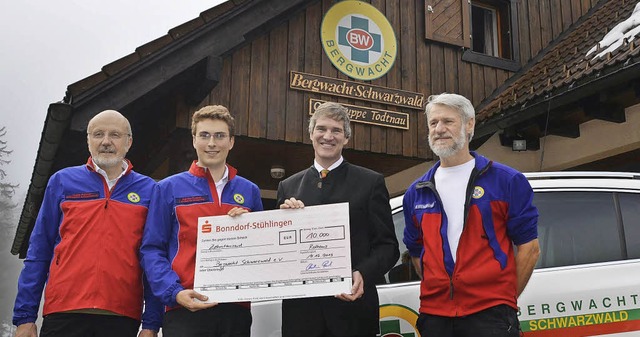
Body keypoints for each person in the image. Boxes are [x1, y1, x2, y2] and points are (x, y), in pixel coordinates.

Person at [12, 110, 162, 337]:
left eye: (115, 135)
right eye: (98, 134)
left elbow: (153, 257)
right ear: (88, 140)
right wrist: (25, 317)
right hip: (63, 312)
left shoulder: (149, 190)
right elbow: (39, 251)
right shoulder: (62, 181)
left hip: (121, 316)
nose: (106, 142)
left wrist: (151, 323)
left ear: (128, 142)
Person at [403, 93, 540, 337]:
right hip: (435, 317)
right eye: (433, 123)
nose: (439, 129)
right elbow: (416, 253)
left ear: (469, 124)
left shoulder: (507, 181)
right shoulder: (416, 192)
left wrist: (502, 298)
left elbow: (529, 248)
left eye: (448, 121)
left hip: (490, 315)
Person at [277, 102, 399, 337]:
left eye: (336, 130)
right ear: (311, 134)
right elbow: (281, 254)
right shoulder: (288, 186)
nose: (328, 136)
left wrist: (362, 273)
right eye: (321, 129)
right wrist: (283, 223)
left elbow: (388, 246)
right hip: (302, 316)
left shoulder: (370, 182)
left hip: (353, 313)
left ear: (346, 138)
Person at [140, 105, 263, 337]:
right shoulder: (167, 188)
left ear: (231, 141)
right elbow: (152, 250)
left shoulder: (250, 191)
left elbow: (261, 251)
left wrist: (250, 228)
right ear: (194, 139)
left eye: (220, 136)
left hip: (235, 310)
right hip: (185, 307)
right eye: (204, 135)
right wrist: (174, 292)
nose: (212, 143)